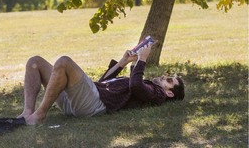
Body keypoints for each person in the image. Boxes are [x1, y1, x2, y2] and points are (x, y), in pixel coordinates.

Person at [17, 44, 185, 125]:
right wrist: (123, 62)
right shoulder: (146, 85)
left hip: (93, 104)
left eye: (169, 81)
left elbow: (136, 86)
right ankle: (27, 112)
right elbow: (105, 82)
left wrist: (142, 59)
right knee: (35, 62)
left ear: (169, 93)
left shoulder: (158, 94)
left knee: (64, 62)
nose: (164, 77)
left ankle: (39, 114)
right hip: (81, 99)